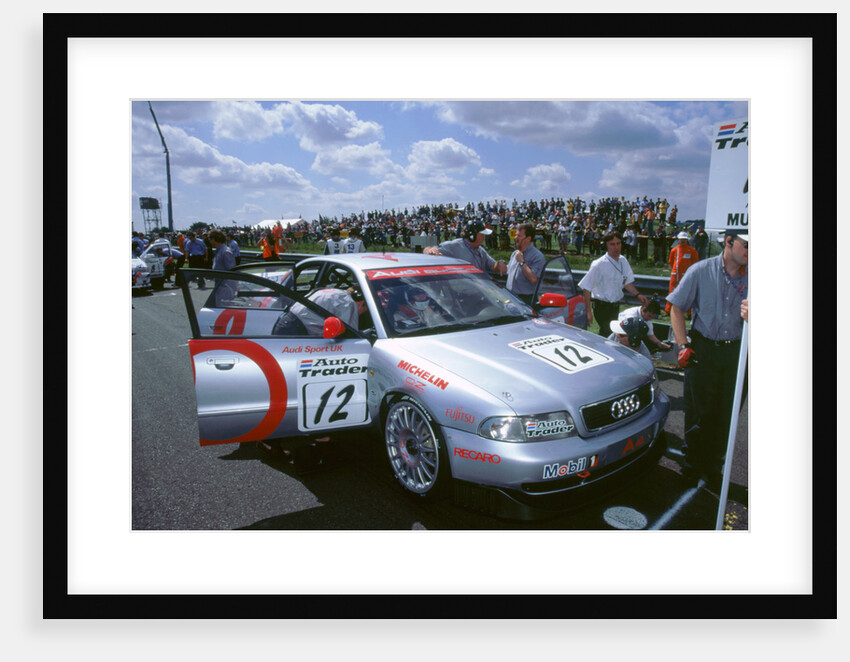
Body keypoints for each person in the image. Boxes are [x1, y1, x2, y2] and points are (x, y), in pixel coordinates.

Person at [667, 230, 749, 490]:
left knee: (727, 414)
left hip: (737, 351)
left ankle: (714, 466)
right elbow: (676, 306)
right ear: (729, 242)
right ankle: (691, 465)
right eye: (746, 245)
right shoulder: (701, 270)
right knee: (698, 412)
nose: (751, 251)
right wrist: (682, 346)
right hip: (703, 349)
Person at [578, 231, 649, 337]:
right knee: (608, 333)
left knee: (612, 335)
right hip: (602, 307)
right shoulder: (599, 264)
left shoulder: (623, 261)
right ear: (606, 245)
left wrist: (638, 295)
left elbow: (626, 283)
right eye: (612, 244)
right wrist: (588, 312)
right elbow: (586, 288)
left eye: (618, 243)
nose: (616, 247)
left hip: (615, 306)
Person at [422, 221, 507, 276]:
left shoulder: (480, 250)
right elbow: (427, 251)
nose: (484, 237)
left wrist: (499, 265)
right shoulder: (455, 246)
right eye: (482, 234)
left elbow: (492, 265)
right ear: (472, 235)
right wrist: (430, 250)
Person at [272, 287, 362, 336]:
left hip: (287, 321)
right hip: (295, 328)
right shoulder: (349, 302)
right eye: (365, 309)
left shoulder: (337, 292)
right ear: (361, 302)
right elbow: (352, 335)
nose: (362, 312)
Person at [505, 222, 545, 305]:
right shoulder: (515, 253)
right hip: (510, 297)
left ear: (528, 239)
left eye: (519, 236)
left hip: (526, 300)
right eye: (516, 235)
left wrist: (522, 262)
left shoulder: (537, 256)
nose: (516, 238)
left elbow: (533, 279)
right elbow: (508, 272)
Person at [665, 231, 700, 314]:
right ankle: (668, 311)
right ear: (678, 240)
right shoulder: (674, 250)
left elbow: (695, 262)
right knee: (672, 292)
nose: (683, 241)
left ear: (687, 240)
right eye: (681, 239)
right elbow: (671, 261)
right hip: (675, 275)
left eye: (684, 239)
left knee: (688, 293)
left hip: (687, 276)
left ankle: (689, 313)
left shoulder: (692, 250)